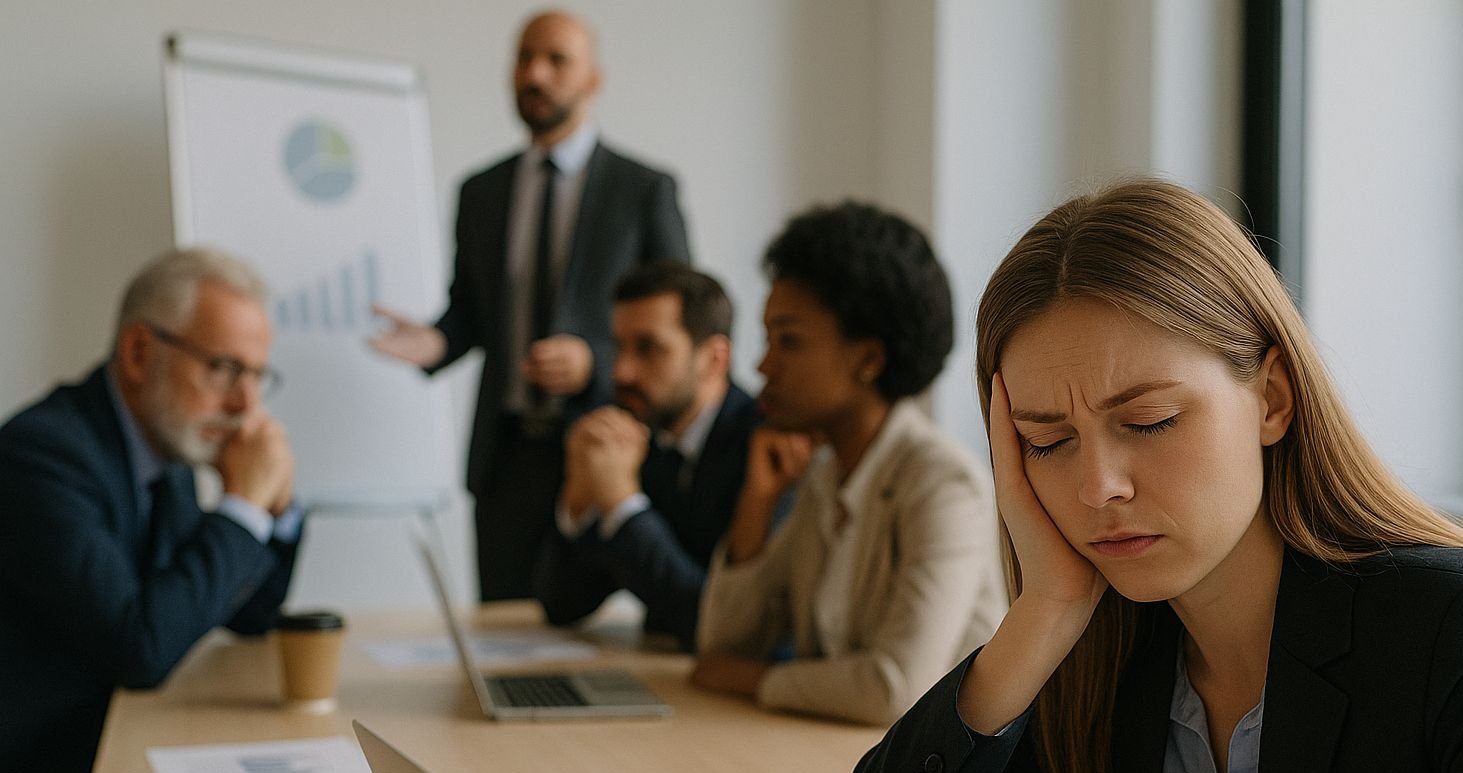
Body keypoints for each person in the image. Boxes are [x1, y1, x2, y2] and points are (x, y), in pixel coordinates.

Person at [801, 180, 1463, 773]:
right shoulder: (1110, 646)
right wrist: (1042, 611)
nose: (1097, 487)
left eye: (1148, 421)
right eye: (1047, 441)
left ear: (1272, 398)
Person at [0, 248, 302, 773]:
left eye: (257, 376)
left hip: (104, 749)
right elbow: (140, 645)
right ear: (141, 352)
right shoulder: (40, 454)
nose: (245, 404)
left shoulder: (164, 452)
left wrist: (274, 508)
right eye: (223, 368)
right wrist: (242, 508)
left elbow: (252, 614)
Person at [370, 9, 690, 600]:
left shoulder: (643, 189)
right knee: (501, 627)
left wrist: (596, 361)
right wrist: (436, 342)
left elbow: (680, 322)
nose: (534, 74)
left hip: (603, 450)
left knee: (597, 630)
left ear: (593, 79)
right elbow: (471, 310)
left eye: (556, 60)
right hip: (507, 457)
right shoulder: (481, 191)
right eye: (524, 58)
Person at [690, 201, 1005, 726]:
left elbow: (895, 689)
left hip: (943, 769)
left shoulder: (942, 481)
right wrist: (757, 503)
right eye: (768, 340)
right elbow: (722, 646)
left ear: (869, 359)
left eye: (788, 340)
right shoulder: (825, 474)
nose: (763, 366)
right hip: (845, 754)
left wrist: (755, 679)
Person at [532, 261, 755, 649]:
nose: (621, 373)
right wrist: (579, 501)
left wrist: (622, 504)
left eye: (648, 349)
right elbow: (561, 606)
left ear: (714, 359)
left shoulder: (764, 446)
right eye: (618, 347)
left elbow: (714, 621)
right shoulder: (640, 433)